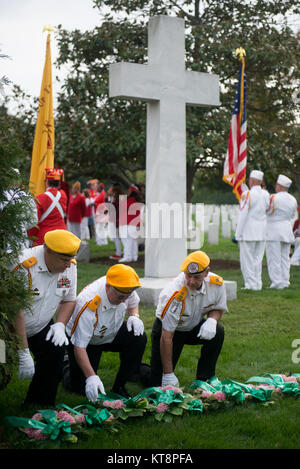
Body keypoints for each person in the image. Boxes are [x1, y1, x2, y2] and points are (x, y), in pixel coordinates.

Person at [13, 229, 80, 407]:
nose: (68, 265)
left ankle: (39, 404)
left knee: (55, 352)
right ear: (47, 251)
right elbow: (14, 310)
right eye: (64, 260)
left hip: (40, 325)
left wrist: (60, 324)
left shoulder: (70, 266)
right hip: (9, 330)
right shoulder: (23, 266)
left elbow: (69, 299)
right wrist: (23, 351)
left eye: (70, 259)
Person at [143, 251, 226, 388]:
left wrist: (212, 320)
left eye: (197, 277)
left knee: (218, 331)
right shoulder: (173, 293)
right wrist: (168, 374)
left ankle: (204, 379)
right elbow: (166, 336)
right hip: (169, 331)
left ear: (207, 272)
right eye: (188, 276)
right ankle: (139, 369)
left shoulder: (216, 284)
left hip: (192, 326)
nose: (191, 282)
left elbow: (218, 307)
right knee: (156, 383)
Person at [64, 264, 147, 401]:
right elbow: (80, 347)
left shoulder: (124, 286)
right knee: (79, 388)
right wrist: (91, 377)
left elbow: (133, 302)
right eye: (120, 297)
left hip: (111, 330)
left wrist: (134, 316)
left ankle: (120, 386)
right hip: (88, 340)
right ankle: (66, 362)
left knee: (138, 337)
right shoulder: (88, 303)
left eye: (126, 296)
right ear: (108, 287)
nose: (124, 301)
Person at [235, 170, 269, 290]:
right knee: (257, 260)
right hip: (262, 232)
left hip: (248, 232)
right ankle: (257, 283)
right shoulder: (266, 194)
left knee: (247, 261)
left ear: (253, 181)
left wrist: (238, 234)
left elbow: (243, 215)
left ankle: (250, 284)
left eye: (249, 179)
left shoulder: (248, 195)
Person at [266, 174, 298, 288]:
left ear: (279, 186)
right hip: (287, 230)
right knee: (285, 258)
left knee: (274, 258)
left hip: (274, 231)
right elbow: (293, 214)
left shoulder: (273, 197)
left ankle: (276, 282)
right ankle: (285, 280)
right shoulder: (293, 199)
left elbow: (268, 211)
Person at [28, 168, 67, 246]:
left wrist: (30, 238)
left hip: (45, 237)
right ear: (58, 183)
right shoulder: (63, 195)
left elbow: (34, 222)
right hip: (62, 234)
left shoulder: (40, 198)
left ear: (46, 182)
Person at [118, 184, 142, 263]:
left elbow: (122, 208)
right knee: (133, 241)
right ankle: (134, 256)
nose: (128, 192)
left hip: (128, 223)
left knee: (127, 240)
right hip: (134, 224)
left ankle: (127, 256)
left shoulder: (130, 200)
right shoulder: (136, 200)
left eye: (129, 190)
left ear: (132, 192)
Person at [108, 183, 124, 260]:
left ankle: (118, 253)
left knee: (117, 237)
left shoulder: (117, 199)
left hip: (117, 219)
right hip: (120, 219)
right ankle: (123, 252)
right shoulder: (122, 197)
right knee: (120, 237)